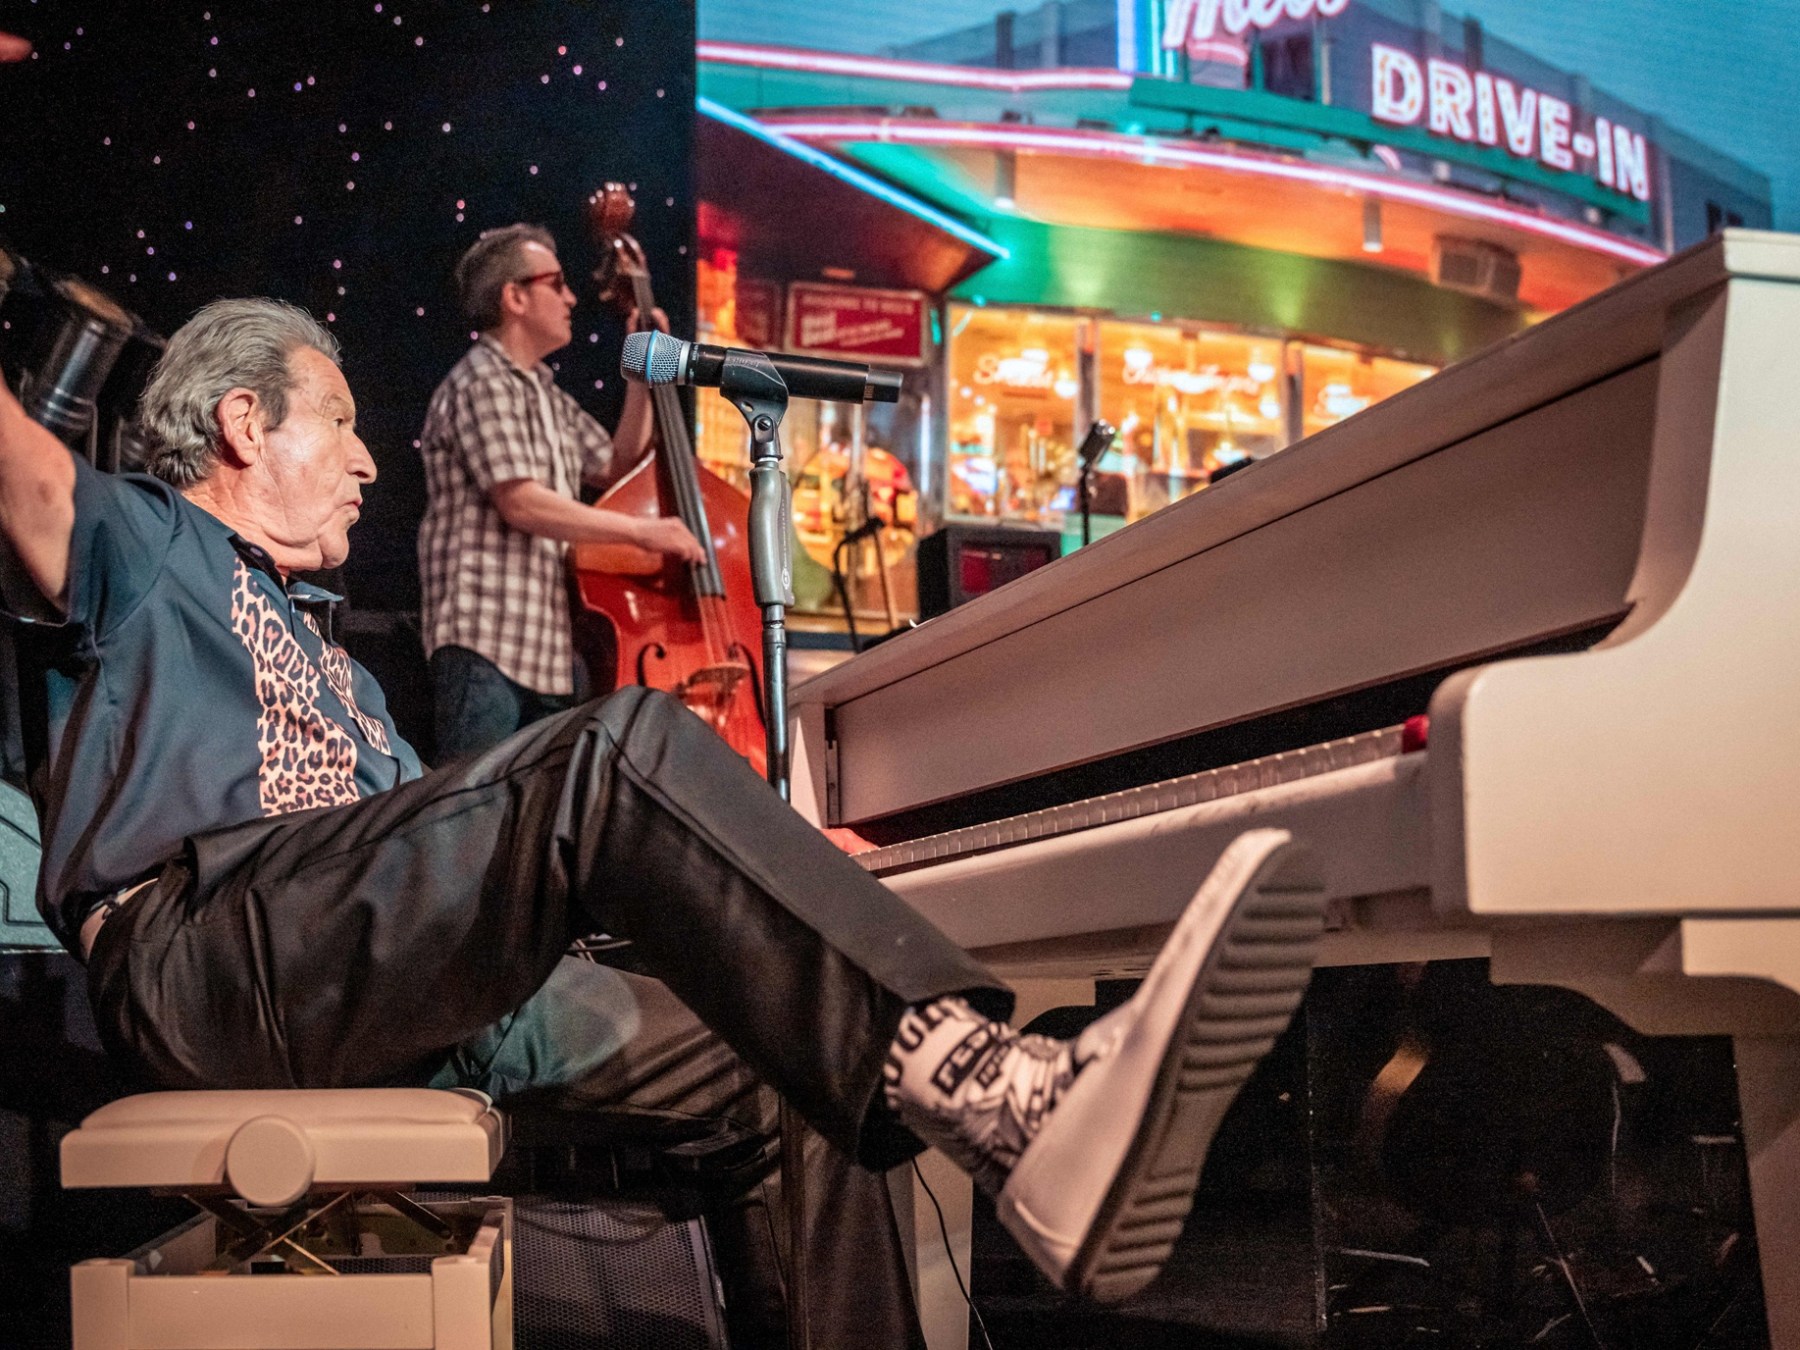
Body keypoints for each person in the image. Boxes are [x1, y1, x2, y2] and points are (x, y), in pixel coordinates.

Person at [0, 298, 1325, 1336]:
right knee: (619, 745)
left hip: (367, 980)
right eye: (338, 424)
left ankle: (955, 1082)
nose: (363, 461)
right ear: (243, 423)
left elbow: (445, 887)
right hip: (208, 961)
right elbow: (27, 479)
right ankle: (996, 1087)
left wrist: (765, 883)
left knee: (805, 1058)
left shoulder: (342, 667)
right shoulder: (144, 541)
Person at [417, 223, 706, 761]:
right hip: (485, 641)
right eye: (558, 284)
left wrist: (642, 370)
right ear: (516, 296)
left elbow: (617, 464)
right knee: (473, 821)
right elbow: (520, 502)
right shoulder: (481, 380)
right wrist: (642, 532)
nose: (572, 297)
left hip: (545, 651)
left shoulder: (546, 394)